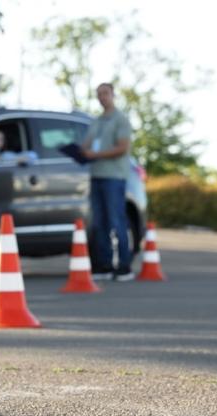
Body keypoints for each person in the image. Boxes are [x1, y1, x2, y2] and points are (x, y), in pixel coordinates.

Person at [80, 82, 134, 281]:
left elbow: (122, 147)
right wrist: (80, 152)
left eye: (105, 93)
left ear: (113, 95)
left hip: (114, 177)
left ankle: (124, 265)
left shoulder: (120, 120)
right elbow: (86, 145)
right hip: (96, 176)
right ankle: (104, 265)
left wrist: (97, 154)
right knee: (99, 222)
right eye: (98, 94)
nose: (102, 97)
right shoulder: (96, 122)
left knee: (116, 221)